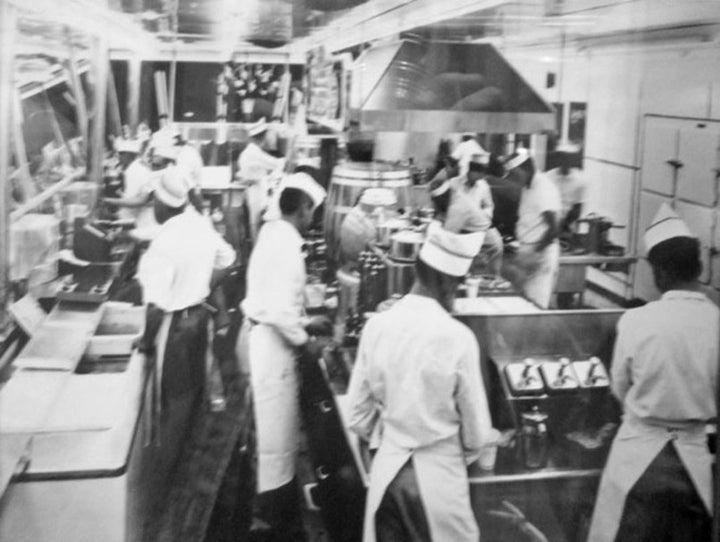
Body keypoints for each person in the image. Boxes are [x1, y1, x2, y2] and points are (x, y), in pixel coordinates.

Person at [347, 221, 499, 542]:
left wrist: (395, 436)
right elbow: (477, 435)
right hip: (440, 484)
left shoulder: (377, 327)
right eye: (457, 287)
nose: (454, 297)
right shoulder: (459, 338)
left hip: (388, 478)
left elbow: (357, 417)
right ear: (446, 282)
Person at [587, 203, 717, 542]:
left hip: (638, 455)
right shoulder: (716, 323)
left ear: (659, 272)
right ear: (699, 269)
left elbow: (619, 388)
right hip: (693, 461)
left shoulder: (636, 321)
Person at [239, 172, 331, 541]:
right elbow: (278, 310)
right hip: (271, 348)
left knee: (269, 434)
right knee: (276, 440)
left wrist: (307, 321)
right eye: (313, 211)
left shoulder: (273, 233)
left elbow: (275, 300)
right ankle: (272, 524)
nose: (314, 219)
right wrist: (304, 337)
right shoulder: (287, 243)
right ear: (304, 208)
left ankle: (270, 510)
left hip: (262, 337)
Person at [133, 166, 235, 480]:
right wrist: (203, 284)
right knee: (193, 395)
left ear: (162, 205)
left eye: (154, 203)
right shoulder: (198, 223)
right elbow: (229, 259)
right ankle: (189, 464)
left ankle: (166, 478)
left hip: (174, 329)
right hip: (198, 321)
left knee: (173, 404)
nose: (153, 207)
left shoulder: (162, 242)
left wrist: (146, 343)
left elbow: (154, 308)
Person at [505, 148, 561, 308]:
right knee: (522, 302)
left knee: (535, 306)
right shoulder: (526, 187)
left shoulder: (544, 188)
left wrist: (534, 253)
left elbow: (554, 229)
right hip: (528, 251)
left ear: (526, 169)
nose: (514, 179)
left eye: (516, 174)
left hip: (541, 254)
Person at [446, 154, 505, 278]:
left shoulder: (483, 186)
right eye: (478, 173)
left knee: (497, 245)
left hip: (480, 228)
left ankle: (493, 278)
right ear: (470, 170)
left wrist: (483, 214)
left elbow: (489, 205)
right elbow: (446, 207)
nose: (480, 177)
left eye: (482, 174)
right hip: (460, 230)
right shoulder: (454, 184)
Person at [236, 119, 285, 242]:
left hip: (255, 192)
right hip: (257, 194)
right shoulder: (254, 152)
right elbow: (277, 164)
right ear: (262, 137)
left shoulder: (250, 152)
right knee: (257, 228)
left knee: (255, 227)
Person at [103, 137, 157, 231]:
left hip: (139, 221)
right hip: (138, 217)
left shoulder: (134, 171)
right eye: (119, 154)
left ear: (130, 155)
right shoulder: (136, 168)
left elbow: (133, 201)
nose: (119, 157)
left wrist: (108, 201)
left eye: (121, 154)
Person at [545, 143, 587, 234]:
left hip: (567, 226)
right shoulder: (548, 176)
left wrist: (564, 224)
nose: (564, 161)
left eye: (567, 157)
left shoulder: (580, 179)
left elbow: (578, 206)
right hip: (547, 222)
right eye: (561, 157)